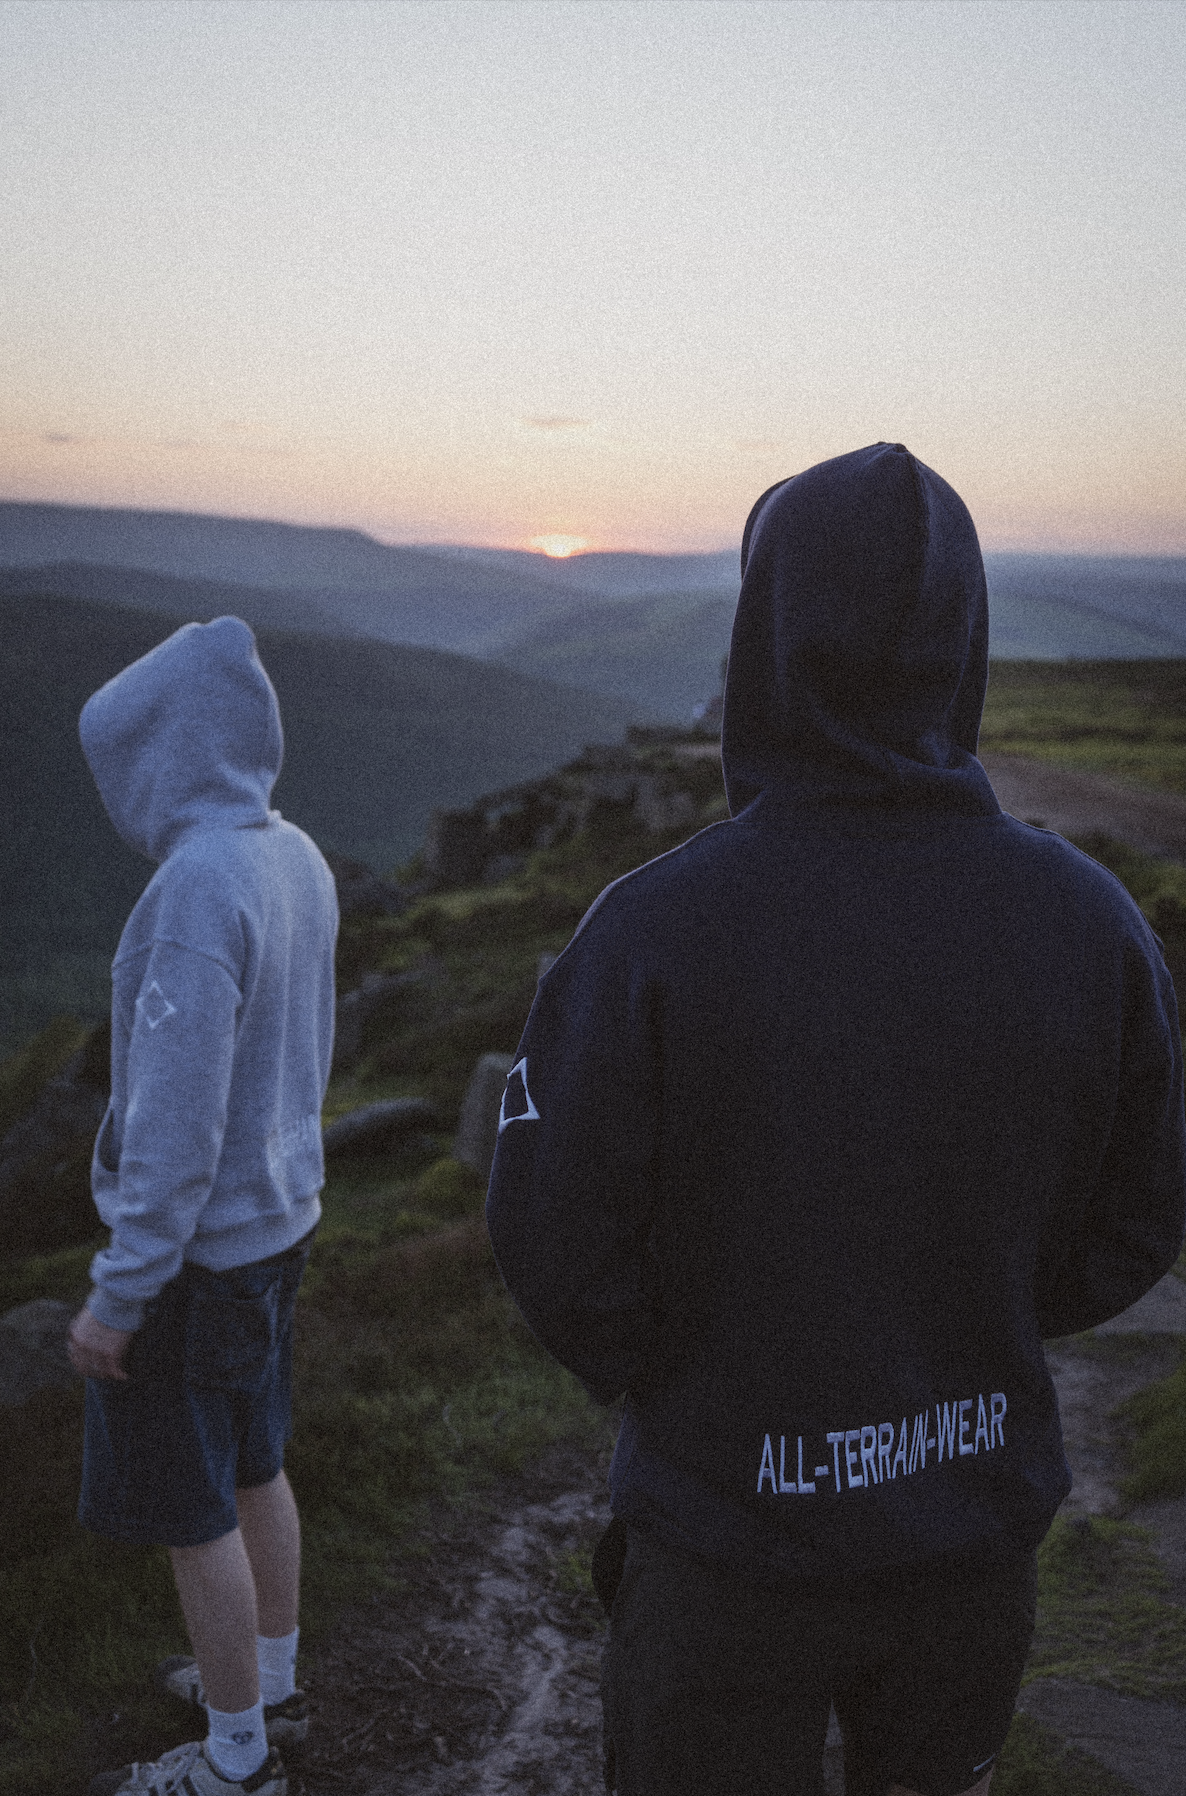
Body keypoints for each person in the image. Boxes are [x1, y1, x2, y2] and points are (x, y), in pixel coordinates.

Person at [485, 442, 1186, 1796]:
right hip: (973, 1545)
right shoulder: (1086, 921)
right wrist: (974, 1319)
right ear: (959, 648)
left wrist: (686, 1374)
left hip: (725, 1550)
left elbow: (553, 1238)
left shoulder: (656, 930)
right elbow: (1140, 1212)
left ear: (770, 635)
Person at [66, 617, 338, 1796]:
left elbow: (174, 1134)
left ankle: (235, 1761)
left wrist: (118, 1295)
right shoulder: (297, 855)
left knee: (193, 1510)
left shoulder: (192, 890)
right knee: (258, 1464)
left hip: (195, 1258)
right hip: (281, 1228)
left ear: (162, 759)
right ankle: (268, 1681)